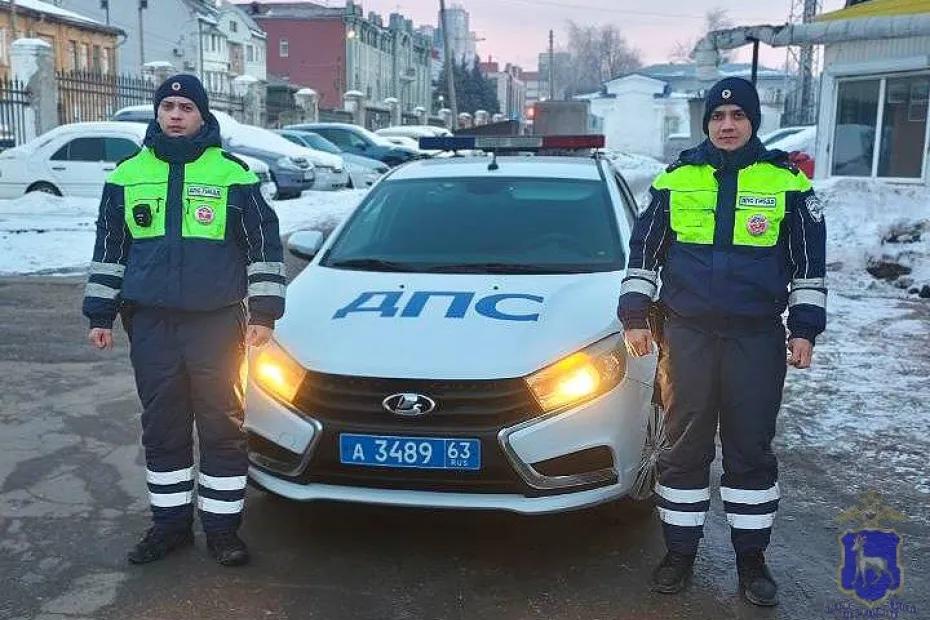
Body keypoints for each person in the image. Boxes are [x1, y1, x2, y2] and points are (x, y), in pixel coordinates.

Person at [618, 77, 826, 606]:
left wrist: (803, 329)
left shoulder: (787, 184)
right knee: (683, 449)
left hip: (755, 339)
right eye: (717, 117)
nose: (727, 125)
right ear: (706, 123)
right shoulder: (676, 179)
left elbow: (808, 265)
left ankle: (751, 561)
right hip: (687, 337)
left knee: (750, 450)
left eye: (737, 116)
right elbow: (644, 253)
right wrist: (635, 315)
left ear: (753, 122)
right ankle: (679, 554)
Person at [82, 74, 285, 567]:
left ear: (202, 115)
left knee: (221, 425)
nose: (175, 114)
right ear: (157, 113)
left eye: (185, 107)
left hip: (215, 324)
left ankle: (221, 532)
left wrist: (264, 313)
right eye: (168, 106)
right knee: (163, 426)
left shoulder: (232, 174)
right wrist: (100, 312)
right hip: (151, 324)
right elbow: (111, 250)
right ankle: (169, 527)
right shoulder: (126, 175)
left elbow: (263, 246)